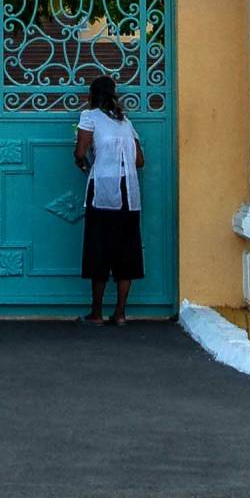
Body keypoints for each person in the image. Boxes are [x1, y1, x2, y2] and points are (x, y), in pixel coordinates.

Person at [74, 72, 142, 326]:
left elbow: (81, 150)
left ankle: (96, 312)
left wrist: (81, 159)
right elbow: (139, 160)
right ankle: (121, 313)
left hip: (103, 189)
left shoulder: (89, 117)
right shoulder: (125, 122)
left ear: (91, 96)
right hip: (130, 193)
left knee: (99, 249)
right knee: (127, 250)